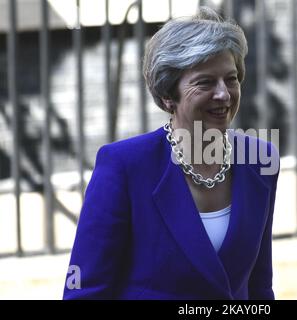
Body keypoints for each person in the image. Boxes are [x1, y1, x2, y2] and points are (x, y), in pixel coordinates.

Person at [63, 7, 279, 300]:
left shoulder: (260, 160)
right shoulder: (125, 166)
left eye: (231, 79)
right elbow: (85, 288)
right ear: (168, 96)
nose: (224, 94)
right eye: (205, 82)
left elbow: (259, 285)